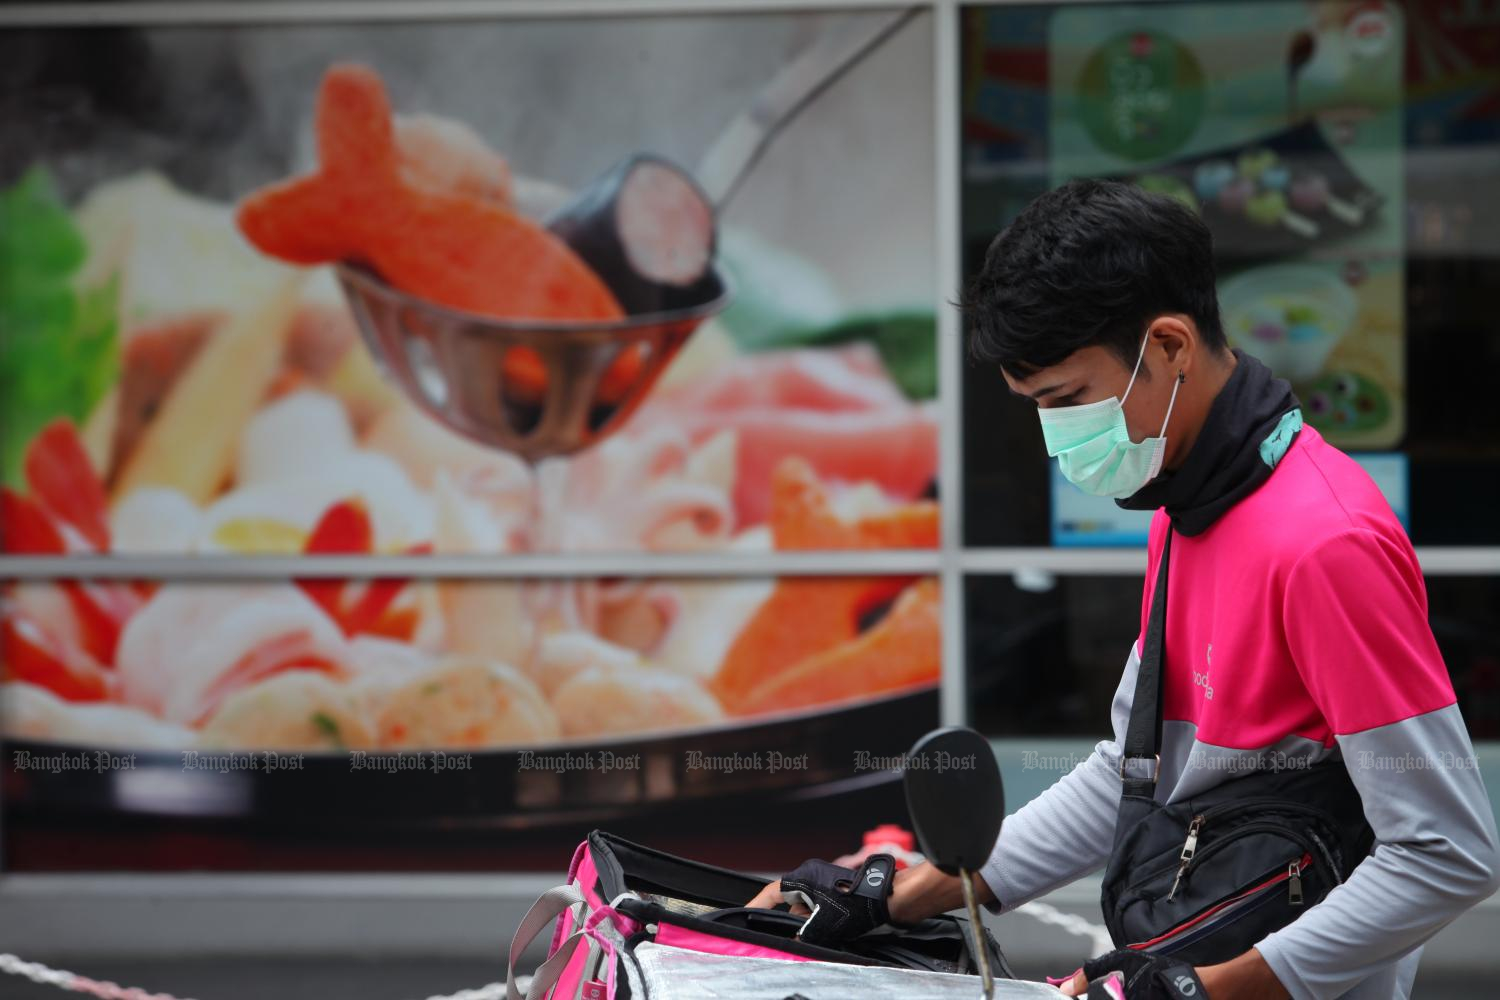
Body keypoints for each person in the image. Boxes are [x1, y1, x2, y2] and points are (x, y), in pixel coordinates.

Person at [746, 179, 1500, 999]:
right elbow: (1131, 773)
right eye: (1035, 408)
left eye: (1067, 400)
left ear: (1171, 345)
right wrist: (903, 893)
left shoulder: (1326, 543)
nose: (1054, 436)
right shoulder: (1186, 501)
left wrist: (1204, 989)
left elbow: (1447, 853)